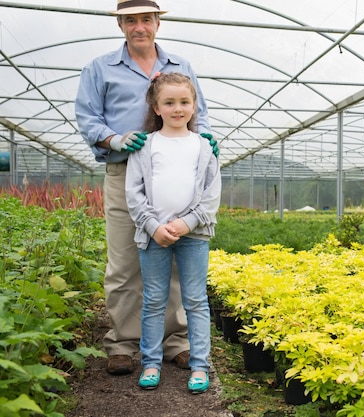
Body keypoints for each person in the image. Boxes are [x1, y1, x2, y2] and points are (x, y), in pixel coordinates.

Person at [75, 0, 219, 375]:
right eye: (131, 20)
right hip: (127, 174)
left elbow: (198, 113)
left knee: (175, 258)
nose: (139, 27)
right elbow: (88, 117)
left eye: (146, 19)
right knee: (124, 261)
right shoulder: (100, 68)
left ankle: (175, 342)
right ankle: (122, 343)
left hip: (178, 173)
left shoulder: (180, 67)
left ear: (157, 23)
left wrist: (205, 141)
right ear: (121, 25)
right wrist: (114, 140)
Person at [126, 72, 221, 393]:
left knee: (195, 299)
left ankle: (200, 366)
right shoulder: (144, 146)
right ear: (156, 107)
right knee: (154, 299)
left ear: (195, 107)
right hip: (152, 235)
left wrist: (187, 222)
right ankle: (150, 363)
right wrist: (153, 226)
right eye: (169, 102)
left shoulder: (204, 147)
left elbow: (211, 195)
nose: (177, 108)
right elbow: (134, 194)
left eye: (184, 102)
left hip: (194, 235)